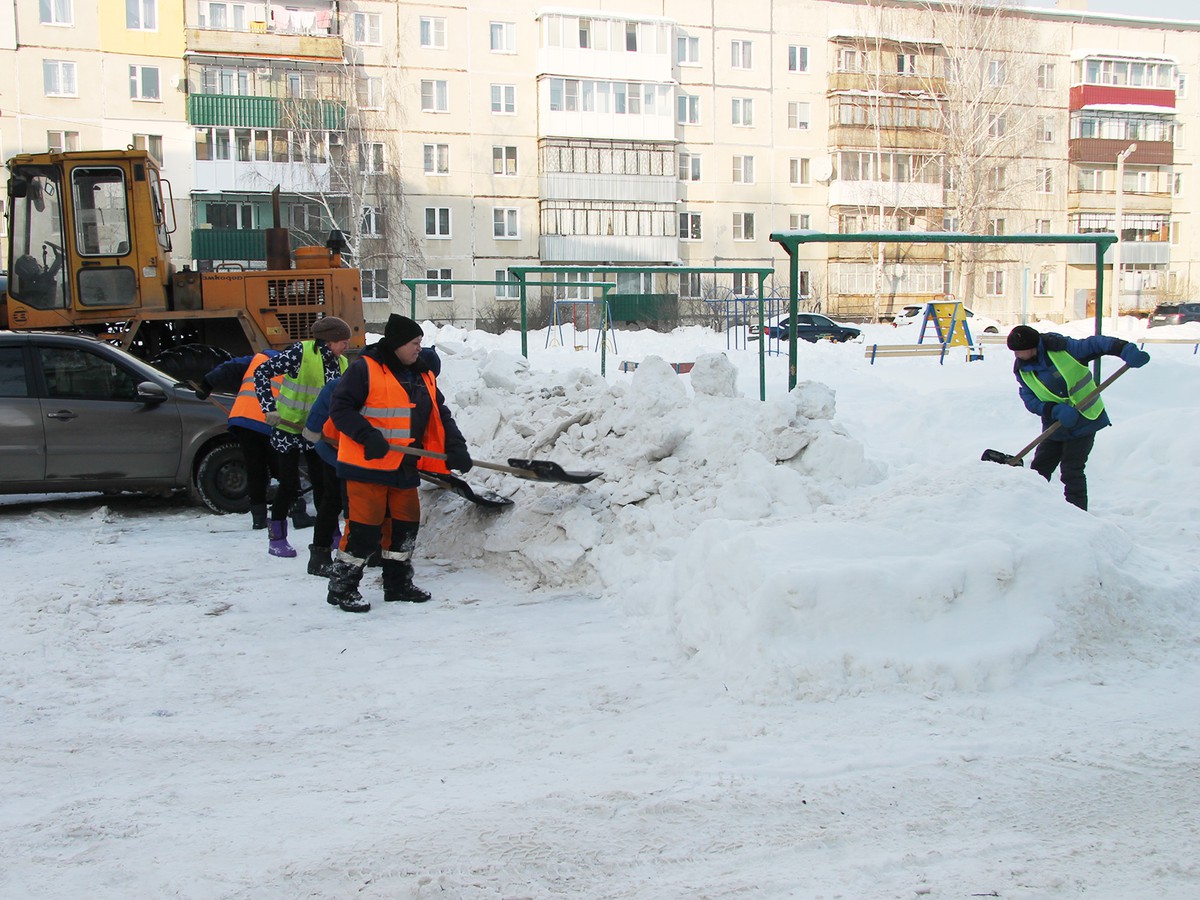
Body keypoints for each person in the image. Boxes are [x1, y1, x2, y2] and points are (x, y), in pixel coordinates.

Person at [325, 314, 471, 613]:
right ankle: (342, 587)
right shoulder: (365, 369)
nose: (419, 348)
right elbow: (340, 409)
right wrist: (367, 435)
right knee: (365, 531)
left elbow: (440, 414)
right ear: (398, 345)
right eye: (415, 343)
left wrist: (455, 446)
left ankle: (397, 583)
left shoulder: (422, 374)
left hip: (404, 465)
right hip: (367, 465)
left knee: (405, 526)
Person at [1006, 324, 1150, 510]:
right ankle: (1031, 510)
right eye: (1015, 352)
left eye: (1021, 351)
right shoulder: (1022, 369)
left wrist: (1124, 349)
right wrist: (1052, 410)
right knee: (1039, 469)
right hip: (1056, 422)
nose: (1018, 356)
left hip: (1086, 418)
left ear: (1034, 346)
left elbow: (1096, 344)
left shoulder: (1063, 348)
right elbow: (1029, 397)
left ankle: (1078, 516)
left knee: (1071, 470)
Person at [254, 316, 352, 557]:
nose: (346, 347)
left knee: (323, 485)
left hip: (317, 432)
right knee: (288, 485)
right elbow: (261, 372)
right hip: (288, 428)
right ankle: (277, 537)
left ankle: (330, 534)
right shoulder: (301, 352)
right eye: (343, 342)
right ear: (328, 341)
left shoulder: (343, 364)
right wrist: (269, 409)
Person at [196, 350, 312, 531]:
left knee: (255, 469)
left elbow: (229, 367)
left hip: (244, 420)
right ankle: (298, 514)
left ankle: (258, 518)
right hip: (272, 422)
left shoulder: (259, 359)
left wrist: (206, 385)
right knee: (285, 468)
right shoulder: (300, 369)